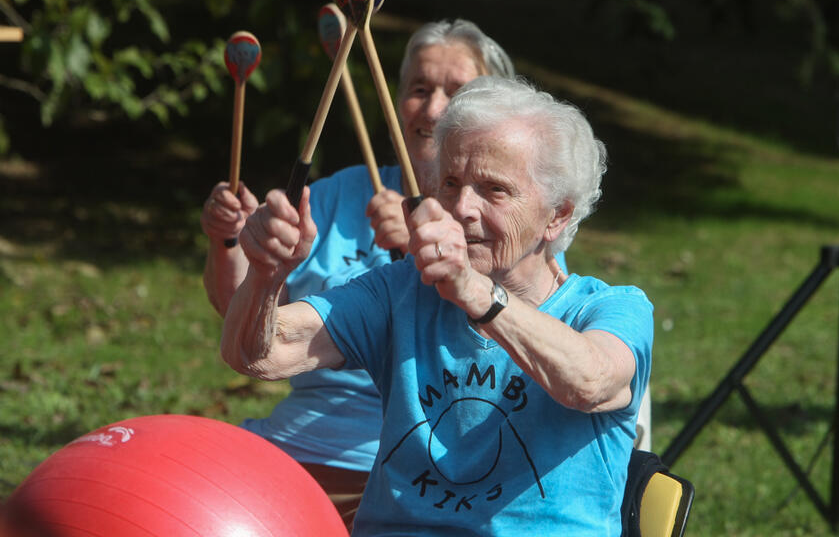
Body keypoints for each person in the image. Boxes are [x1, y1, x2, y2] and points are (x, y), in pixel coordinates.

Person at [221, 76, 653, 536]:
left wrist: (478, 294)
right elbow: (257, 354)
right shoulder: (400, 292)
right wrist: (267, 274)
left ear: (558, 215)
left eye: (494, 190)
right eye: (450, 183)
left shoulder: (612, 307)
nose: (462, 207)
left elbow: (589, 382)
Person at [201, 19, 516, 527]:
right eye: (419, 89)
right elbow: (237, 316)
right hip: (288, 446)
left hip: (412, 463)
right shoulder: (335, 194)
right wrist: (237, 246)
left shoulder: (509, 220)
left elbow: (508, 350)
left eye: (455, 92)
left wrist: (421, 249)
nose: (433, 109)